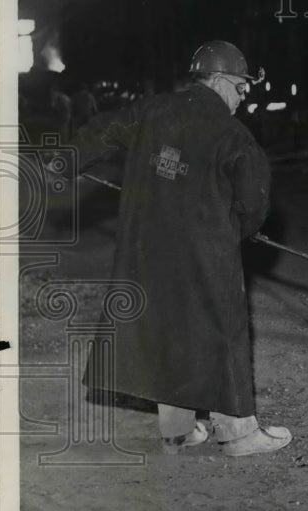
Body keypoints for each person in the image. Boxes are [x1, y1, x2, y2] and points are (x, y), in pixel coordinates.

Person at [72, 40, 292, 456]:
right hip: (207, 253)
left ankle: (177, 431)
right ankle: (239, 434)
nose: (242, 100)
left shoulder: (151, 110)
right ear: (223, 81)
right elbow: (253, 204)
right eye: (242, 90)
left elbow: (103, 130)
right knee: (224, 330)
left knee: (167, 329)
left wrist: (63, 162)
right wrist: (236, 231)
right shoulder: (235, 136)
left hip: (146, 246)